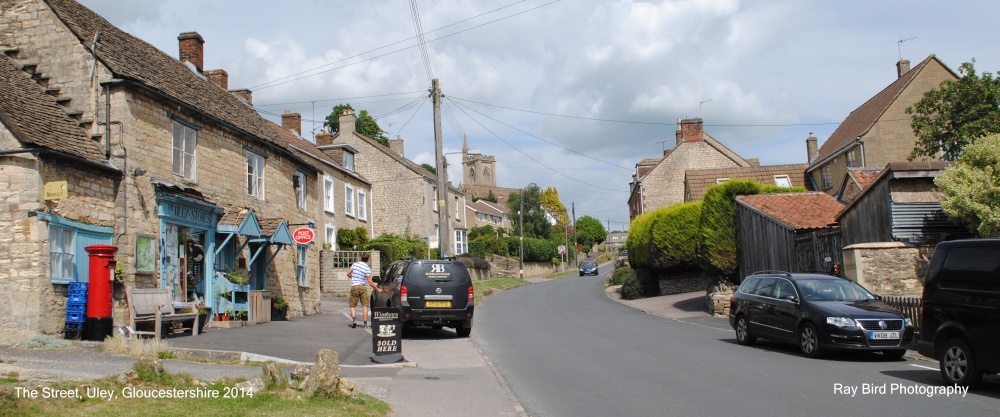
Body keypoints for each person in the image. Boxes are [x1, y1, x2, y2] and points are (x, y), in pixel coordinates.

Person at [347, 253, 377, 329]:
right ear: (368, 259)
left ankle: (354, 320)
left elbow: (348, 273)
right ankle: (365, 324)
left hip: (354, 286)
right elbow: (369, 281)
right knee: (365, 306)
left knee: (352, 305)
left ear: (361, 258)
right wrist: (377, 288)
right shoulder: (367, 268)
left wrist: (352, 277)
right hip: (363, 286)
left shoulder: (355, 264)